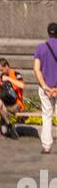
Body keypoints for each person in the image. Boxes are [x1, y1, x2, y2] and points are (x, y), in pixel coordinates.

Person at [0, 58, 25, 139]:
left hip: (16, 104)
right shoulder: (2, 76)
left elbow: (22, 85)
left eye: (2, 70)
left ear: (6, 66)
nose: (1, 72)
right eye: (0, 71)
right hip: (5, 104)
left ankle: (9, 127)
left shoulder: (16, 74)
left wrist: (9, 79)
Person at [33, 22, 57, 155]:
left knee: (46, 116)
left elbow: (36, 69)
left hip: (45, 88)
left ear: (48, 32)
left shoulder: (40, 48)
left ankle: (46, 146)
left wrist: (45, 86)